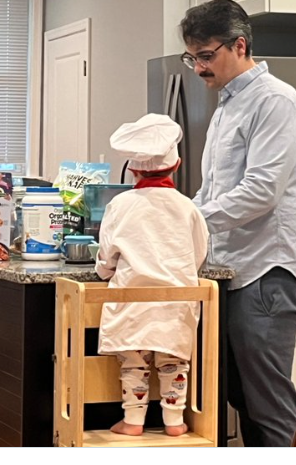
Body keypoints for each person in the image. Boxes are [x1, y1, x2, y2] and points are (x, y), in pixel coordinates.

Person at [179, 0, 296, 447]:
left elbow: (261, 191)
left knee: (267, 405)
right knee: (241, 396)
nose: (198, 68)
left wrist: (190, 218)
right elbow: (214, 191)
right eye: (192, 57)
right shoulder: (228, 105)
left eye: (206, 55)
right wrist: (179, 215)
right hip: (236, 271)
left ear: (239, 46)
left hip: (268, 273)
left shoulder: (275, 102)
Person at [95, 113, 209, 438]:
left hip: (132, 302)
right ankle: (174, 422)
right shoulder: (188, 207)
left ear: (133, 170)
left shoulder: (120, 205)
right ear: (178, 165)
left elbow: (106, 257)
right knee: (174, 365)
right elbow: (198, 254)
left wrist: (104, 270)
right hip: (177, 304)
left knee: (134, 363)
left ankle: (133, 421)